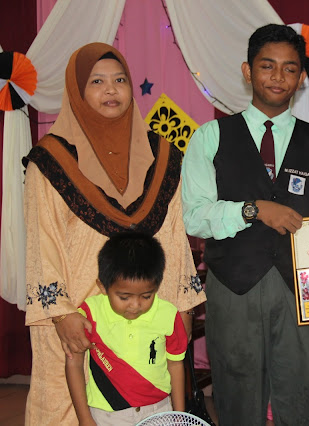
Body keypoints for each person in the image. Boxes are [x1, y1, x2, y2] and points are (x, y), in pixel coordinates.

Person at [23, 43, 206, 426]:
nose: (111, 89)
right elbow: (41, 243)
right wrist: (61, 314)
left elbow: (175, 236)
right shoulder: (50, 160)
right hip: (80, 317)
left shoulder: (163, 155)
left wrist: (182, 306)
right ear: (77, 91)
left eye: (120, 80)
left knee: (151, 402)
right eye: (97, 81)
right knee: (69, 406)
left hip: (147, 309)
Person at [181, 24, 309, 425]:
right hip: (232, 286)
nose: (278, 77)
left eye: (290, 69)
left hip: (302, 292)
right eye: (267, 66)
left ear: (301, 77)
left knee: (307, 398)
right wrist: (251, 210)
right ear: (247, 71)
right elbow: (194, 217)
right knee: (237, 400)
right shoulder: (210, 137)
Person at [65, 232, 187, 425]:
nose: (135, 305)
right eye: (124, 297)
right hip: (107, 415)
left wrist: (180, 416)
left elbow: (176, 365)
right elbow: (74, 364)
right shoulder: (89, 314)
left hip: (159, 411)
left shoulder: (169, 315)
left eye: (146, 296)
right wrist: (85, 419)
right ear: (102, 287)